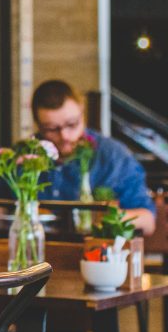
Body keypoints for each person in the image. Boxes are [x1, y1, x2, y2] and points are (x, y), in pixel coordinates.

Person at [30, 79, 155, 234]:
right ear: (38, 124)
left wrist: (105, 217)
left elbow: (148, 220)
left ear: (82, 112)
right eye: (51, 129)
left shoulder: (113, 156)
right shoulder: (25, 157)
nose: (65, 136)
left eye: (72, 124)